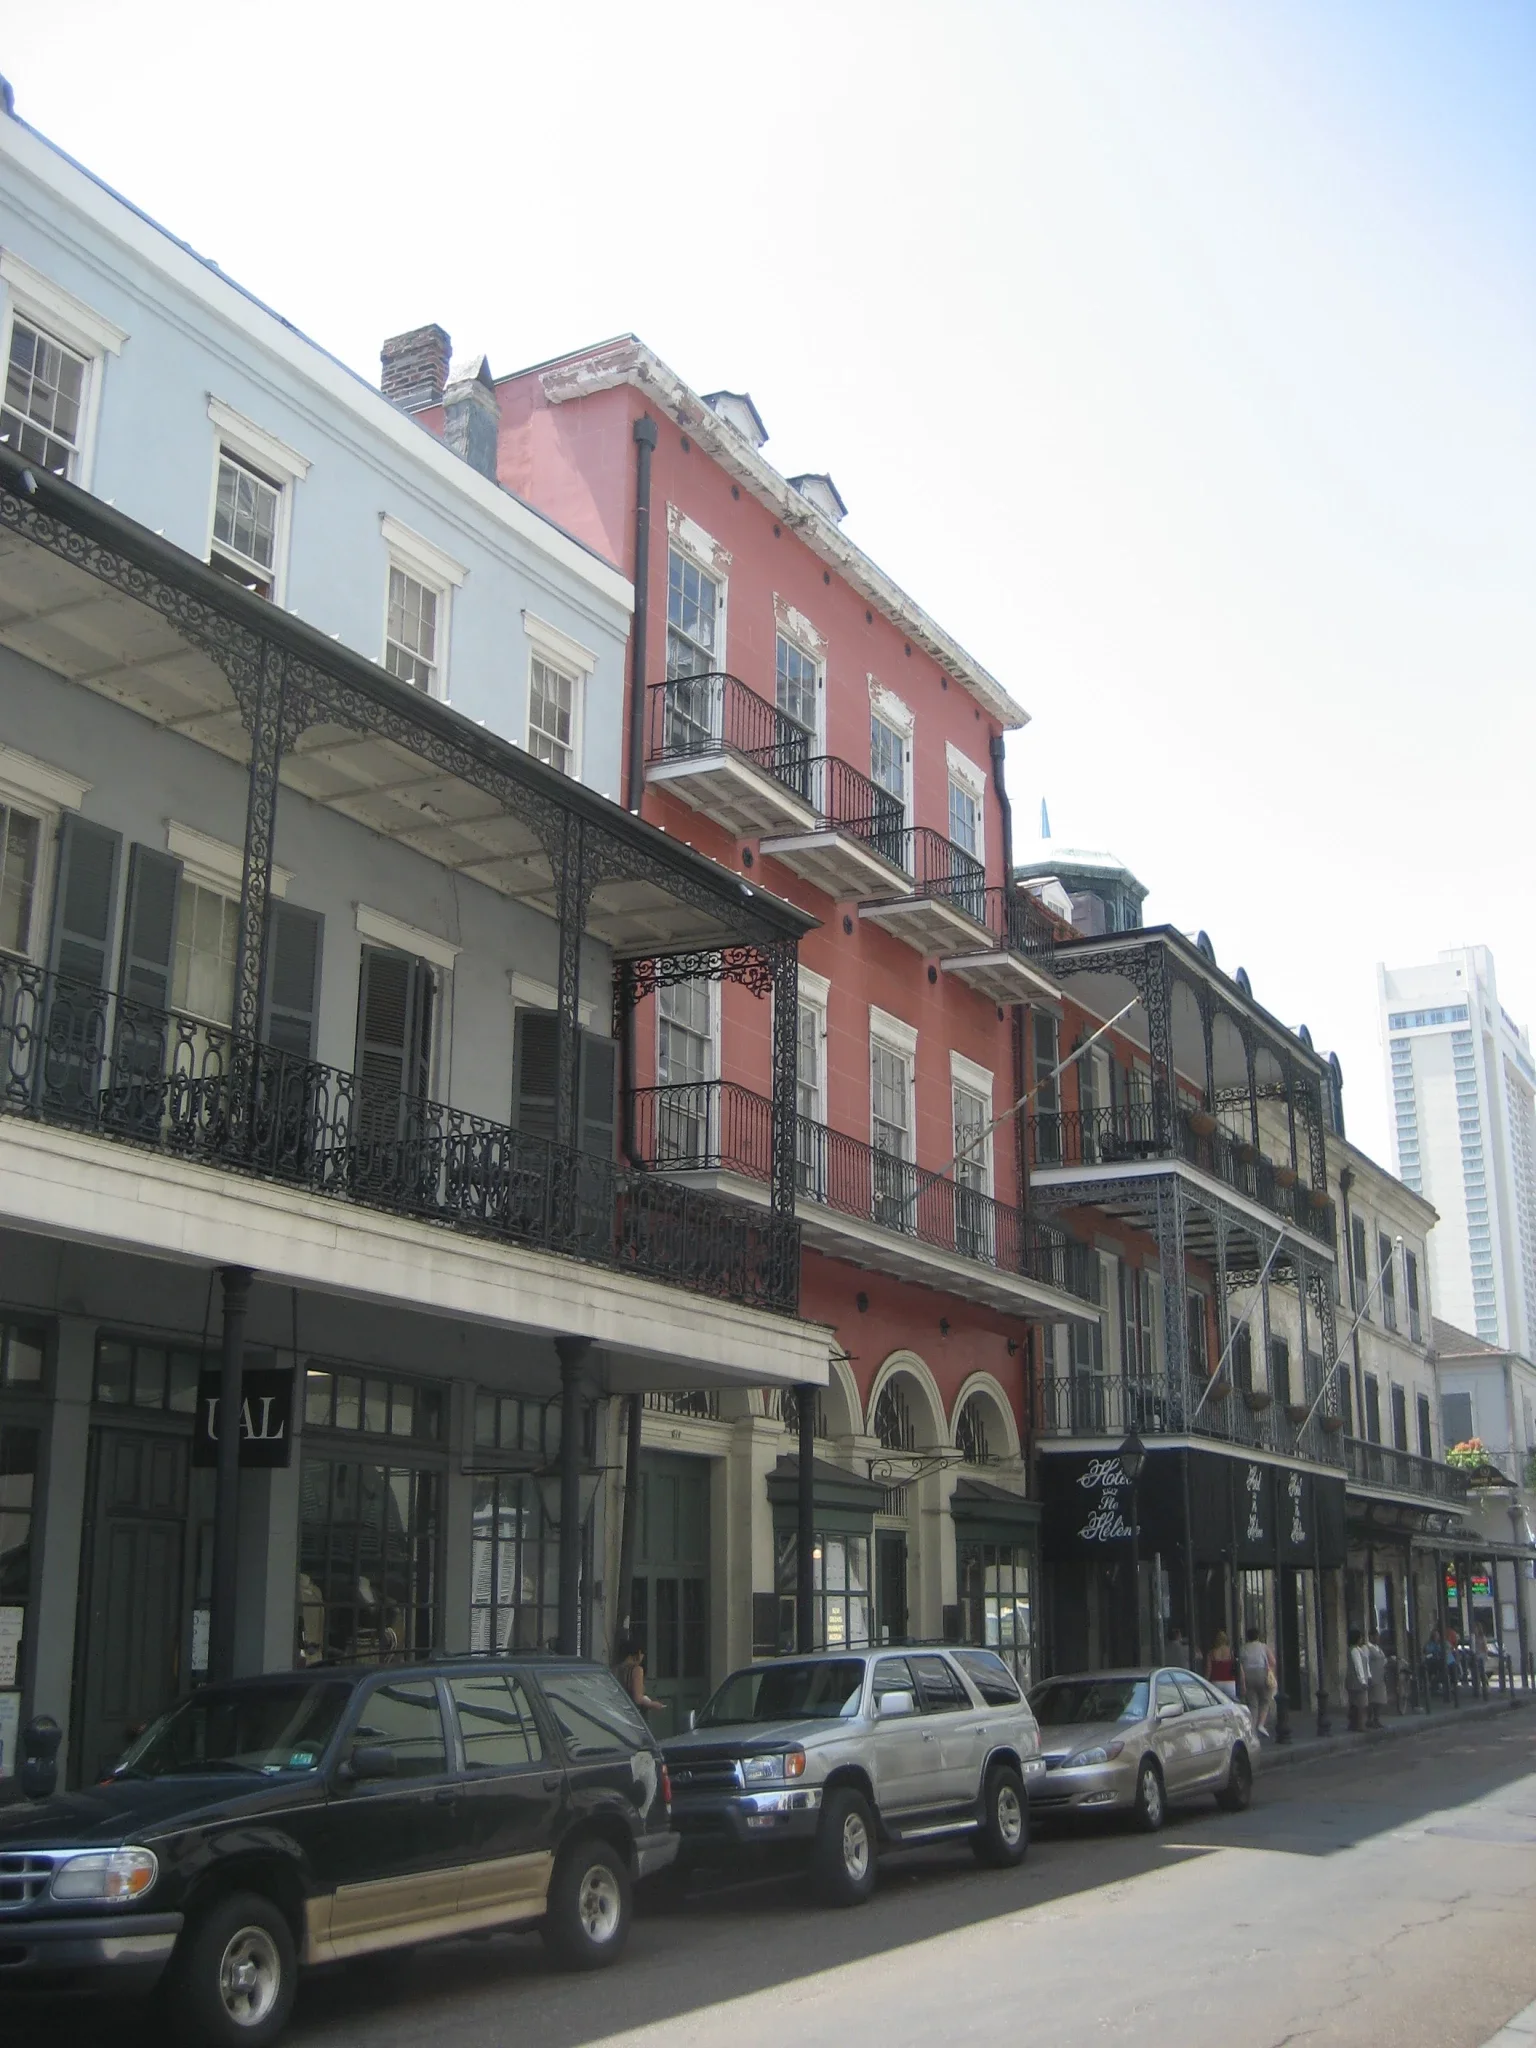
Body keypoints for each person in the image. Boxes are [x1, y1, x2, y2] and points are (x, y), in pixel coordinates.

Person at [614, 1633, 664, 1715]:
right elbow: (638, 1699)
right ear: (639, 1652)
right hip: (632, 1713)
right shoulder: (637, 1670)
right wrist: (653, 1704)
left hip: (618, 1711)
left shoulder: (615, 1669)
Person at [1240, 1626, 1275, 1739]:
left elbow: (1240, 1664)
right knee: (1265, 1700)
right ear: (1258, 1636)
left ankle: (1252, 1729)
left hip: (1248, 1675)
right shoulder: (1263, 1647)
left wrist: (1243, 1681)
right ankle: (1261, 1724)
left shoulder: (1243, 1648)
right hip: (1261, 1673)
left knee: (1252, 1704)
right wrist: (1269, 1669)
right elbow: (1273, 1661)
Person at [1346, 1627, 1370, 1732]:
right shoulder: (1355, 1650)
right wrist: (1363, 1681)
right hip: (1357, 1680)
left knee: (1354, 1703)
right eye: (1360, 1637)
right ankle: (1360, 1725)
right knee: (1361, 1704)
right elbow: (1358, 1666)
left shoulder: (1358, 1649)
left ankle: (1353, 1724)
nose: (1362, 1639)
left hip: (1354, 1680)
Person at [1366, 1629, 1389, 1730]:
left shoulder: (1378, 1648)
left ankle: (1376, 1719)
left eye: (1378, 1636)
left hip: (1380, 1677)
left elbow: (1383, 1659)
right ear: (1371, 1637)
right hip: (1373, 1676)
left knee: (1380, 1699)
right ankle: (1370, 1719)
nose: (1378, 1638)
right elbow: (1366, 1662)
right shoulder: (1368, 1648)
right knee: (1372, 1700)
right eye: (1376, 1636)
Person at [1207, 1629, 1238, 1699]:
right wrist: (1242, 1683)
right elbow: (1238, 1667)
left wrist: (1205, 1681)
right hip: (1230, 1681)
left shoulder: (1211, 1653)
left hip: (1216, 1682)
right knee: (1231, 1702)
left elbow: (1208, 1670)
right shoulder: (1231, 1652)